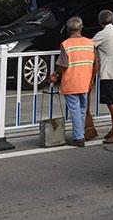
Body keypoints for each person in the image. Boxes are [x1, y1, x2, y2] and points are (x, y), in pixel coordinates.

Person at [49, 16, 95, 147]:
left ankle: (79, 138)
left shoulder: (66, 44)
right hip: (85, 81)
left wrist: (54, 75)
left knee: (75, 110)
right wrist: (91, 79)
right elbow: (95, 62)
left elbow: (63, 64)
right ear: (81, 28)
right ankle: (80, 134)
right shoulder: (90, 43)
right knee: (81, 109)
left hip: (71, 82)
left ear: (68, 30)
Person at [92, 9, 113, 143]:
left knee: (111, 103)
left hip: (109, 73)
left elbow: (89, 44)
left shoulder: (102, 34)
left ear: (100, 21)